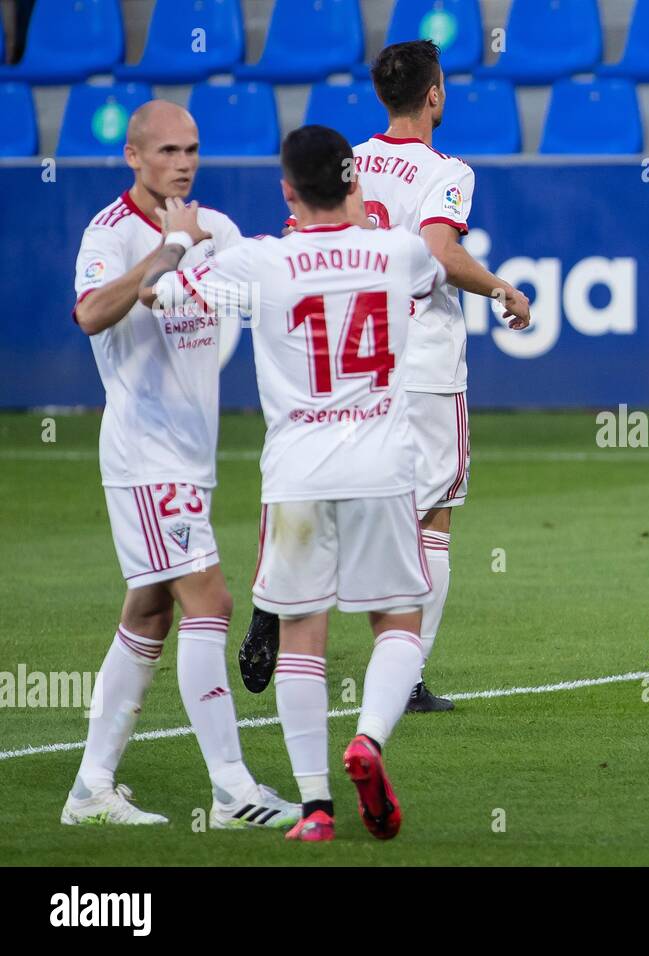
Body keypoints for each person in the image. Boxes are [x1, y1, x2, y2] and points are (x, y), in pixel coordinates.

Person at [238, 40, 531, 713]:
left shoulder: (348, 164)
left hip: (354, 361)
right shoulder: (447, 169)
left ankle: (275, 599)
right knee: (432, 516)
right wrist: (500, 289)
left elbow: (300, 237)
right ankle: (408, 675)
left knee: (348, 487)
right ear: (433, 96)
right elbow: (437, 251)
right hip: (424, 359)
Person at [63, 100, 297, 828]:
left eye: (192, 148)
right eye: (167, 151)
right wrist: (165, 253)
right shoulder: (110, 234)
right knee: (212, 603)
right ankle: (231, 790)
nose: (184, 162)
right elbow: (92, 313)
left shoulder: (215, 228)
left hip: (189, 458)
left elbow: (263, 279)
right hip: (144, 455)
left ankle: (90, 790)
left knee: (150, 612)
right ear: (133, 157)